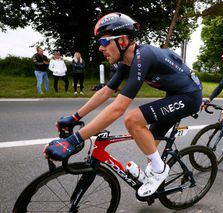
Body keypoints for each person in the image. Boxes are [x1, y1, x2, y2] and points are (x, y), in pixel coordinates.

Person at [43, 12, 202, 197]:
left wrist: (74, 140)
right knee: (149, 143)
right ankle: (153, 174)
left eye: (104, 42)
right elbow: (105, 92)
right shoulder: (126, 62)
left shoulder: (144, 56)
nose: (101, 48)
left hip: (189, 97)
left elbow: (118, 109)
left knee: (133, 119)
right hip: (175, 94)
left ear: (123, 40)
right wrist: (75, 117)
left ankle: (159, 172)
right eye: (99, 43)